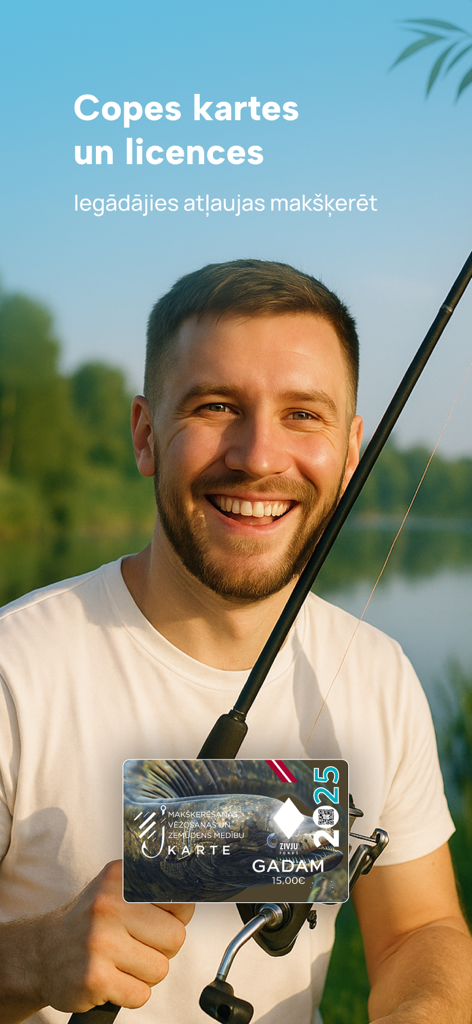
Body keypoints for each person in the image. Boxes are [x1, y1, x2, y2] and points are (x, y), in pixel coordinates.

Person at [0, 259, 470, 1024]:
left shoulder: (380, 675)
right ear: (146, 435)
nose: (257, 456)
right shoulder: (14, 670)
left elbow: (419, 929)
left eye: (303, 414)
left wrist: (425, 1007)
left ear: (351, 452)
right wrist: (36, 957)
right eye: (217, 406)